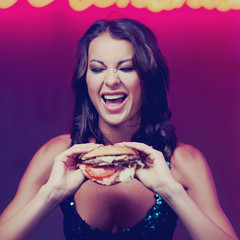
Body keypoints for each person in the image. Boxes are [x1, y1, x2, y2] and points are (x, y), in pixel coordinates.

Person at [0, 18, 238, 240]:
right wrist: (50, 195)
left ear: (147, 78)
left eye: (125, 68)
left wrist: (172, 192)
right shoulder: (58, 155)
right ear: (86, 80)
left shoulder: (184, 160)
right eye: (97, 68)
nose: (111, 80)